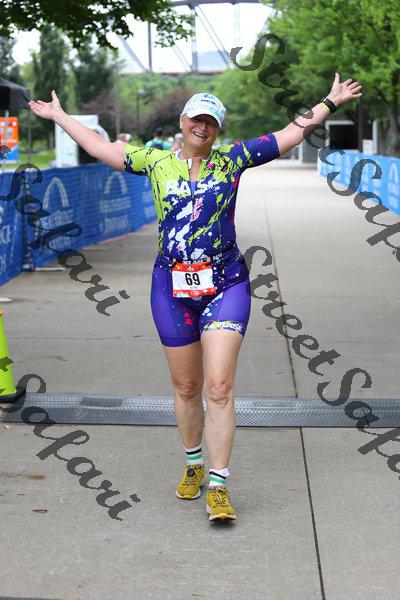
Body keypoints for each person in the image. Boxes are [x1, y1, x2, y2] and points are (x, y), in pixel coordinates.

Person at [28, 76, 362, 522]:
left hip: (226, 284)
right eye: (196, 119)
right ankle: (193, 463)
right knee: (186, 387)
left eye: (211, 122)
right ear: (183, 121)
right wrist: (59, 116)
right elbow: (100, 148)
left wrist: (329, 103)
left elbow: (290, 133)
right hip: (171, 288)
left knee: (218, 387)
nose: (202, 127)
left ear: (218, 129)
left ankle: (219, 485)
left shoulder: (234, 159)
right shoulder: (155, 162)